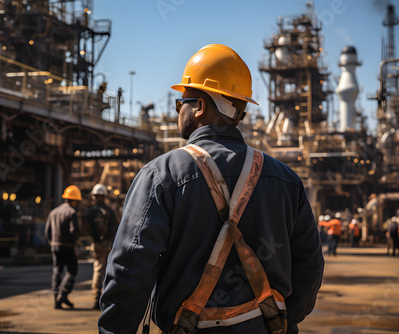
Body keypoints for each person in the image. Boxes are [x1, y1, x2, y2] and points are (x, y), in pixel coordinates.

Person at [98, 44, 324, 334]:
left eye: (183, 102)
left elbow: (129, 271)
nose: (179, 110)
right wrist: (278, 322)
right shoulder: (286, 180)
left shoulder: (161, 175)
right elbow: (310, 266)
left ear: (201, 106)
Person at [45, 185, 82, 309]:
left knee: (57, 270)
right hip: (68, 246)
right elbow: (74, 231)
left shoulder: (53, 212)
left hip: (55, 246)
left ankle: (57, 298)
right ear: (74, 200)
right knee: (73, 270)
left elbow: (47, 232)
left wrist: (52, 242)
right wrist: (74, 242)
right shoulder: (72, 212)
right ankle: (63, 293)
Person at [88, 183, 118, 310]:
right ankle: (104, 298)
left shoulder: (91, 211)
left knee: (98, 268)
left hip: (95, 244)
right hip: (107, 244)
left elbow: (87, 228)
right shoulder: (109, 210)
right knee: (107, 270)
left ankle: (96, 297)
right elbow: (115, 228)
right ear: (104, 196)